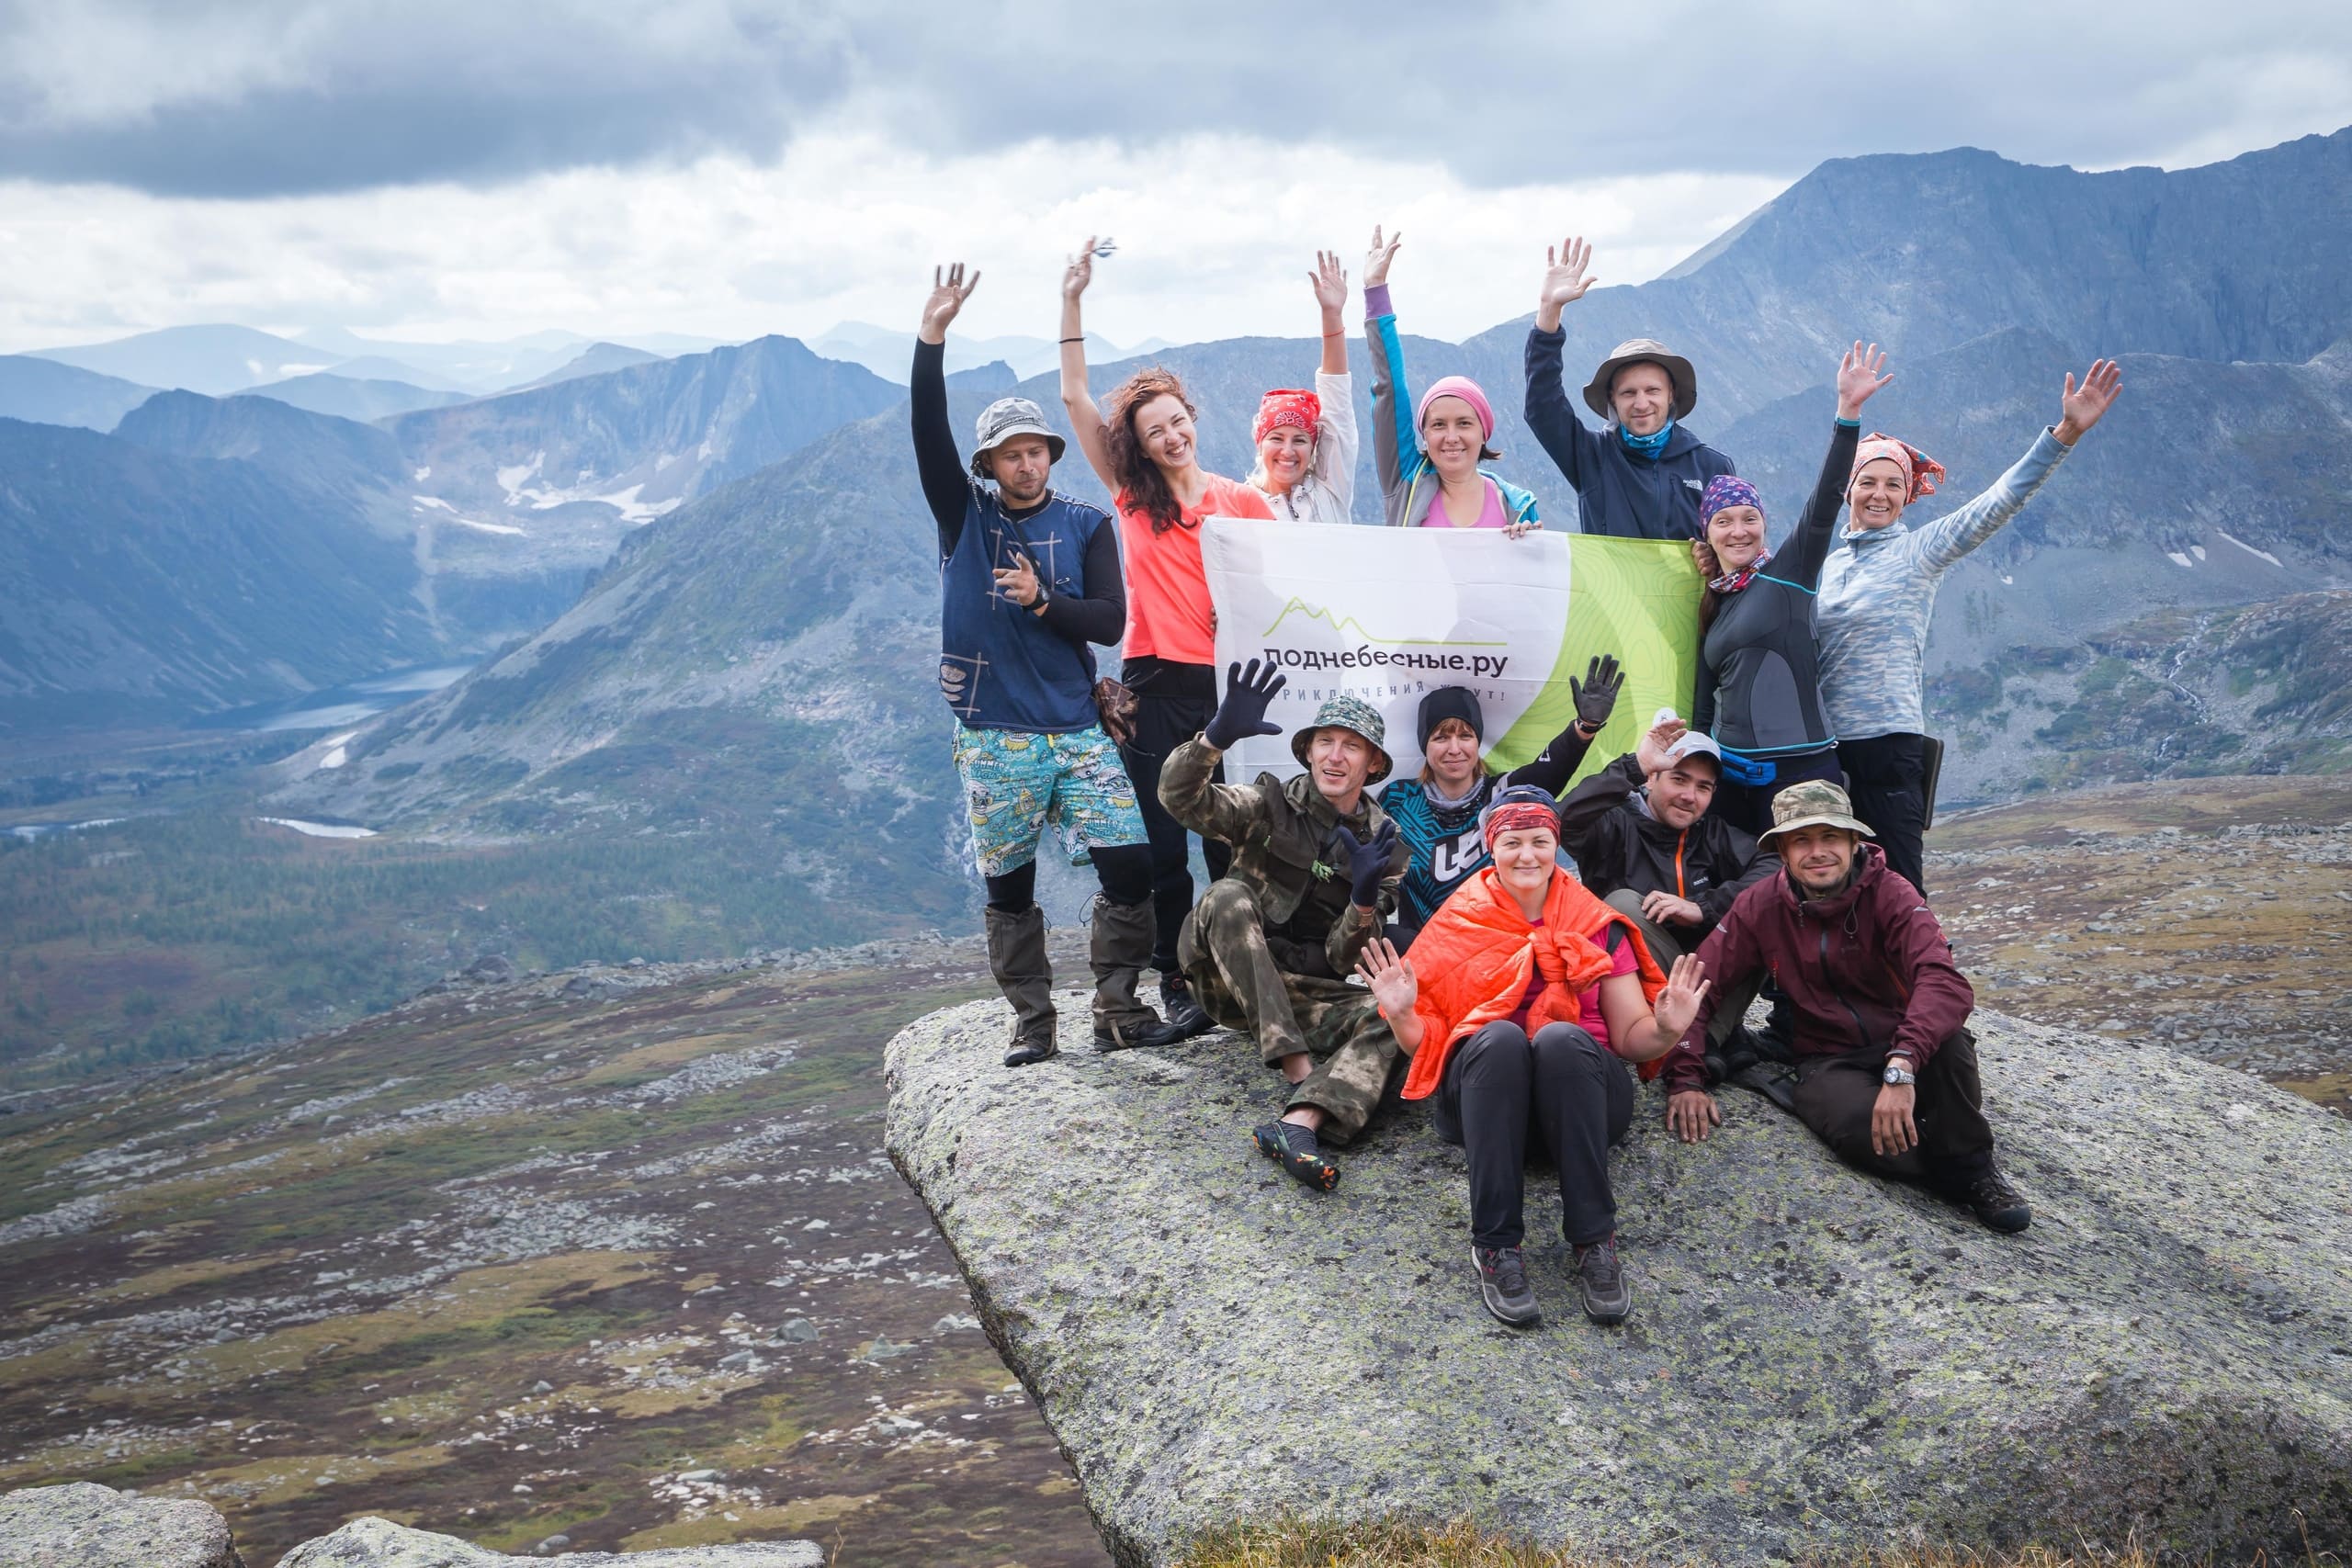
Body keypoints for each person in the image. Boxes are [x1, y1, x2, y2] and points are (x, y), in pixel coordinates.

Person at [913, 263, 1182, 1065]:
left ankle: (1118, 1008)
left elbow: (1108, 620)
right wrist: (932, 340)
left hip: (1073, 725)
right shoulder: (963, 519)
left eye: (1036, 451)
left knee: (1128, 861)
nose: (1026, 465)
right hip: (995, 731)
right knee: (1010, 886)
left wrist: (1039, 602)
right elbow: (927, 432)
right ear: (987, 465)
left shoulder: (1086, 523)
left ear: (1052, 455)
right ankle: (1033, 1022)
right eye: (1009, 455)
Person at [1357, 786, 1709, 1326]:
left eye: (1540, 841)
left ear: (1556, 845)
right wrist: (1404, 1013)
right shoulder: (1459, 921)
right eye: (1513, 841)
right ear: (1491, 848)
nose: (1527, 855)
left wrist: (1665, 1029)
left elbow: (1629, 1039)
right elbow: (1425, 1046)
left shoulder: (1594, 922)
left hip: (1580, 1105)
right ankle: (1495, 1247)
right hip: (1486, 1109)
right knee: (1497, 1037)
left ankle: (1595, 1242)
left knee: (1561, 1038)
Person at [1058, 235, 1276, 1039]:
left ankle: (1228, 978)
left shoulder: (1243, 502)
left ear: (1193, 421)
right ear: (1140, 444)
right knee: (1159, 845)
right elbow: (1078, 397)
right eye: (1155, 430)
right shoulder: (1131, 498)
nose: (1171, 436)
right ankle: (1177, 982)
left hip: (1230, 688)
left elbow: (1289, 585)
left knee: (1228, 841)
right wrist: (1072, 298)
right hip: (1154, 681)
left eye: (1177, 421)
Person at [1658, 780, 2032, 1235]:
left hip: (1906, 1044)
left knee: (1950, 1046)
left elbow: (1943, 980)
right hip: (1827, 1056)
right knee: (1858, 1133)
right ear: (1782, 850)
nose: (1818, 852)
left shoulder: (1893, 894)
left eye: (1830, 837)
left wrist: (1903, 1062)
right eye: (1801, 840)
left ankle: (1975, 1170)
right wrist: (1685, 1077)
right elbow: (1699, 986)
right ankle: (1947, 1166)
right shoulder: (1759, 905)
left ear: (1855, 842)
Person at [1819, 359, 2124, 895]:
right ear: (1848, 488)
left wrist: (2066, 433)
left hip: (1888, 749)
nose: (1879, 494)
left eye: (1894, 484)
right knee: (1828, 892)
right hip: (1824, 751)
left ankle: (1921, 980)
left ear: (1908, 495)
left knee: (1897, 894)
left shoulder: (1918, 552)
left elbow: (1999, 501)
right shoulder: (1827, 565)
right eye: (1867, 481)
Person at [1159, 661, 1409, 1192]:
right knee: (1226, 895)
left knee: (1394, 1013)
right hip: (1224, 978)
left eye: (1351, 746)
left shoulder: (1387, 844)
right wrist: (1215, 738)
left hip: (1303, 991)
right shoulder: (1266, 803)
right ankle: (1298, 1069)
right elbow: (1179, 799)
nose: (1335, 756)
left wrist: (1364, 900)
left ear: (1373, 764)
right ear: (1309, 751)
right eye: (1325, 741)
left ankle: (1300, 1124)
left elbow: (1347, 962)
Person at [1691, 343, 1894, 838]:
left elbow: (1825, 502)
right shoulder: (1713, 600)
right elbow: (1703, 705)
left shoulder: (1789, 573)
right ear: (1708, 533)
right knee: (1740, 902)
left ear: (1764, 525)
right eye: (1724, 521)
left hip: (1803, 774)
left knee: (1810, 896)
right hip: (1729, 779)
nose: (1739, 531)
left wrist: (1848, 414)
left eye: (1750, 519)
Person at [1555, 708, 1774, 1067]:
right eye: (1679, 779)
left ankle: (1699, 1037)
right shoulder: (1614, 822)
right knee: (1623, 904)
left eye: (1703, 787)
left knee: (1767, 905)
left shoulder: (1712, 833)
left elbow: (1774, 865)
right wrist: (1631, 765)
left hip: (1702, 975)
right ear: (1651, 778)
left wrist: (1704, 907)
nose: (1690, 796)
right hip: (1636, 995)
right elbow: (1560, 822)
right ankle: (1706, 1038)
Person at [1376, 658, 1622, 945]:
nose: (1454, 749)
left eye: (1465, 736)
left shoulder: (1503, 795)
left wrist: (1585, 726)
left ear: (1477, 742)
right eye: (1441, 737)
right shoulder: (1398, 800)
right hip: (1424, 948)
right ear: (1425, 744)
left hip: (1498, 946)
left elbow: (1548, 772)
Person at [1521, 235, 1736, 539]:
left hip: (1693, 591)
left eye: (1652, 390)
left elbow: (1734, 547)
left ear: (1671, 394)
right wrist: (1548, 310)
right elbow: (1542, 407)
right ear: (1612, 398)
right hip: (1611, 590)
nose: (1641, 402)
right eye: (1628, 393)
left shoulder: (1711, 465)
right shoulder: (1591, 457)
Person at [1362, 227, 1541, 534]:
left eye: (1464, 423)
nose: (1451, 436)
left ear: (1484, 432)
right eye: (1438, 425)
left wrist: (1529, 547)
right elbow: (1390, 388)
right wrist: (1376, 291)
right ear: (1424, 435)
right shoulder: (1406, 482)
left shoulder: (1515, 506)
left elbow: (1536, 577)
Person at [1244, 251, 1359, 523]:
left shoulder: (1329, 491)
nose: (1287, 451)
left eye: (1299, 440)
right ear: (1259, 444)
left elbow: (1337, 402)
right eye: (1276, 438)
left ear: (1313, 447)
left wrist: (1332, 313)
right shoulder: (1242, 506)